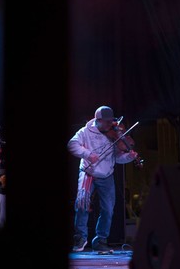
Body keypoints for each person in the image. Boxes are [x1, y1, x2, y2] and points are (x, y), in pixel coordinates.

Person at [67, 105, 139, 252]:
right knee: (82, 204)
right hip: (88, 173)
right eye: (106, 122)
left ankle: (100, 240)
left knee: (108, 209)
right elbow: (72, 144)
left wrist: (128, 157)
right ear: (97, 120)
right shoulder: (85, 132)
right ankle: (80, 237)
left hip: (106, 176)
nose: (110, 125)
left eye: (110, 122)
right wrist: (88, 154)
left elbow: (117, 158)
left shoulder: (113, 133)